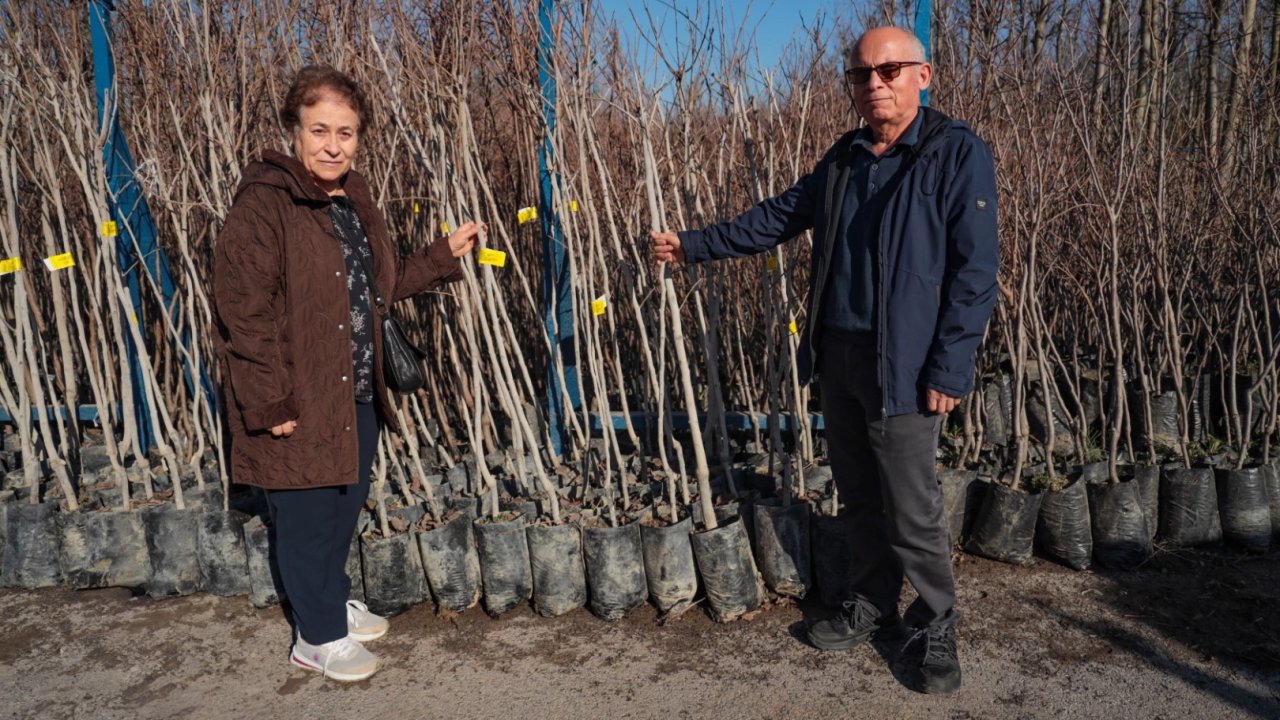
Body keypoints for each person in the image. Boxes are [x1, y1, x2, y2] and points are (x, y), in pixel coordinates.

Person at [651, 27, 998, 694]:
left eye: (889, 70)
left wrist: (951, 368)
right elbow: (780, 215)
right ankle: (870, 603)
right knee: (859, 494)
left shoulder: (954, 153)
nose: (874, 83)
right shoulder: (844, 159)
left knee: (911, 505)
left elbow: (976, 271)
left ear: (922, 75)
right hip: (839, 356)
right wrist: (693, 246)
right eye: (861, 73)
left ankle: (935, 624)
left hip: (906, 365)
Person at [213, 65, 482, 682]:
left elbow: (376, 289)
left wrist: (441, 257)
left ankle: (327, 603)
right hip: (298, 395)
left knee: (342, 508)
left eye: (347, 132)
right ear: (294, 130)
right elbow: (242, 312)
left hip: (355, 386)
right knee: (307, 519)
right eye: (320, 130)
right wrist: (269, 401)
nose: (334, 145)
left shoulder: (351, 199)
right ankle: (316, 638)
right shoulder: (264, 205)